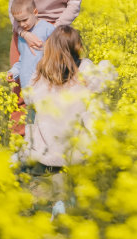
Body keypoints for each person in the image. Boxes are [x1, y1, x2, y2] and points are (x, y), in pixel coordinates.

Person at [19, 25, 117, 171]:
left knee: (33, 111)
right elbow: (107, 77)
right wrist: (105, 63)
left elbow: (28, 97)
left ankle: (32, 152)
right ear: (77, 47)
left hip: (46, 153)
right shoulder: (84, 68)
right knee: (96, 103)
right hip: (77, 152)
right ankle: (102, 151)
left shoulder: (41, 71)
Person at [7, 0, 55, 89]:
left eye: (25, 20)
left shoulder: (48, 29)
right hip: (27, 85)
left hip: (45, 83)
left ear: (35, 12)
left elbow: (59, 52)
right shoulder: (22, 37)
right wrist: (13, 72)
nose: (22, 24)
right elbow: (23, 60)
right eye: (18, 21)